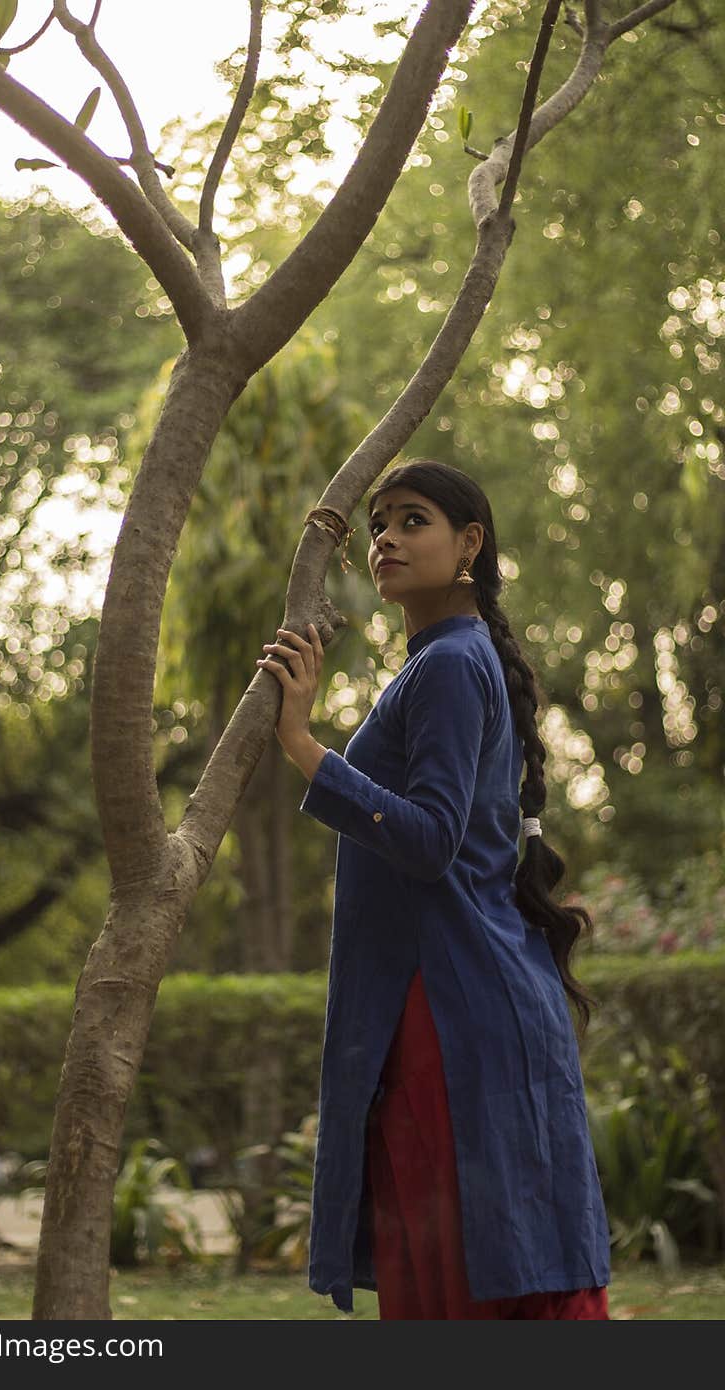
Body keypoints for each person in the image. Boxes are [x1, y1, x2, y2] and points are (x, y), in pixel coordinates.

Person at [255, 459, 611, 1320]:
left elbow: (427, 841)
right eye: (378, 525)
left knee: (464, 1277)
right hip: (467, 1001)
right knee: (483, 1267)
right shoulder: (452, 660)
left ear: (469, 545)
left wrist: (303, 745)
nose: (385, 539)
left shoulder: (451, 665)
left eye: (412, 521)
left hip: (450, 1015)